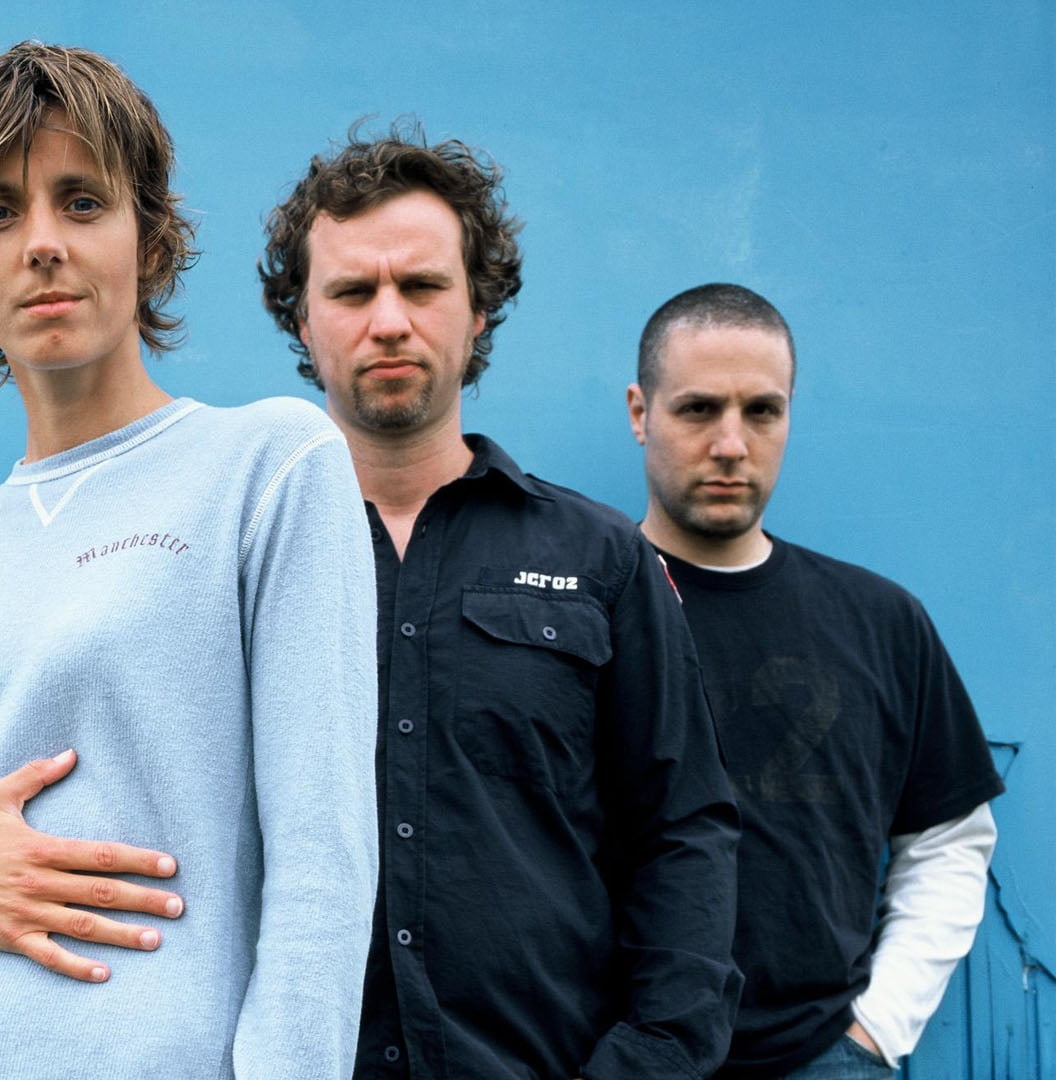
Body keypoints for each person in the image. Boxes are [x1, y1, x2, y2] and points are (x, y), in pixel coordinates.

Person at [0, 42, 378, 1079]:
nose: (41, 245)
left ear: (149, 239)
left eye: (80, 202)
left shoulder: (268, 466)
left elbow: (323, 867)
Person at [259, 128, 743, 1080]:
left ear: (478, 308)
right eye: (353, 292)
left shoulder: (601, 558)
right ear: (303, 324)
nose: (389, 321)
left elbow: (683, 831)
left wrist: (649, 1060)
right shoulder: (243, 560)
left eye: (424, 287)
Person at [627, 283, 1003, 1079]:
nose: (732, 444)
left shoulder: (879, 619)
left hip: (819, 1055)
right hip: (616, 1054)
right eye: (699, 410)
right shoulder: (583, 609)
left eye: (762, 411)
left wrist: (872, 1036)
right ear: (640, 413)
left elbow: (949, 839)